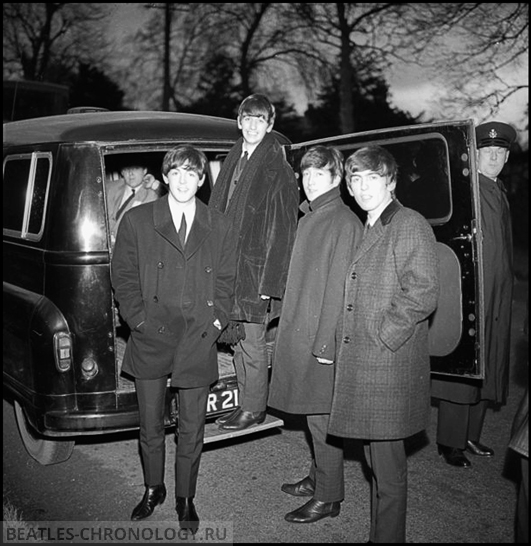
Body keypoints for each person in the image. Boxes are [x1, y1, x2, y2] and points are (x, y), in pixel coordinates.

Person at [110, 145, 236, 533]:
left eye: (191, 174)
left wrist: (216, 323)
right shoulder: (137, 220)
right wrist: (138, 320)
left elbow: (229, 280)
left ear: (201, 180)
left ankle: (185, 497)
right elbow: (124, 277)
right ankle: (153, 489)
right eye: (176, 172)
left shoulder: (220, 224)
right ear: (165, 176)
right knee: (149, 424)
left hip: (197, 336)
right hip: (151, 335)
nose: (183, 181)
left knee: (192, 427)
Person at [328, 145, 440, 543]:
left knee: (389, 473)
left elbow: (423, 292)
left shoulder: (408, 223)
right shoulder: (371, 225)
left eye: (372, 178)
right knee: (376, 462)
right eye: (355, 179)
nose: (362, 187)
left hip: (387, 364)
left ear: (390, 182)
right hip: (369, 362)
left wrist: (383, 336)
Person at [268, 146, 363, 523]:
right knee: (312, 415)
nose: (309, 182)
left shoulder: (340, 222)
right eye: (305, 175)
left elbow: (342, 291)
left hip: (320, 338)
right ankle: (318, 476)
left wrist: (326, 344)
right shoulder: (314, 215)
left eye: (318, 175)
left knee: (322, 419)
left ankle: (329, 497)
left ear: (336, 179)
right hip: (303, 329)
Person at [209, 93, 299, 431]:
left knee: (252, 341)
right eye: (247, 118)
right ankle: (244, 403)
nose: (251, 125)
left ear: (270, 125)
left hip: (256, 272)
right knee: (239, 342)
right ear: (239, 122)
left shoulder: (279, 169)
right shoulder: (235, 158)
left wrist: (269, 285)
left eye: (259, 120)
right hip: (231, 265)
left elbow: (284, 232)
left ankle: (254, 408)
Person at [432, 121, 517, 467]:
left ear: (507, 157)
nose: (494, 158)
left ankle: (471, 434)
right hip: (472, 291)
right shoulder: (467, 190)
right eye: (487, 152)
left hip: (498, 292)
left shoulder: (498, 190)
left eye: (500, 153)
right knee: (466, 364)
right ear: (475, 155)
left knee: (490, 360)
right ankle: (450, 441)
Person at [106, 162, 160, 246]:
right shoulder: (111, 188)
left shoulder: (151, 195)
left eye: (135, 168)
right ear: (122, 172)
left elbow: (141, 229)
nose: (131, 173)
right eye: (127, 169)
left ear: (144, 171)